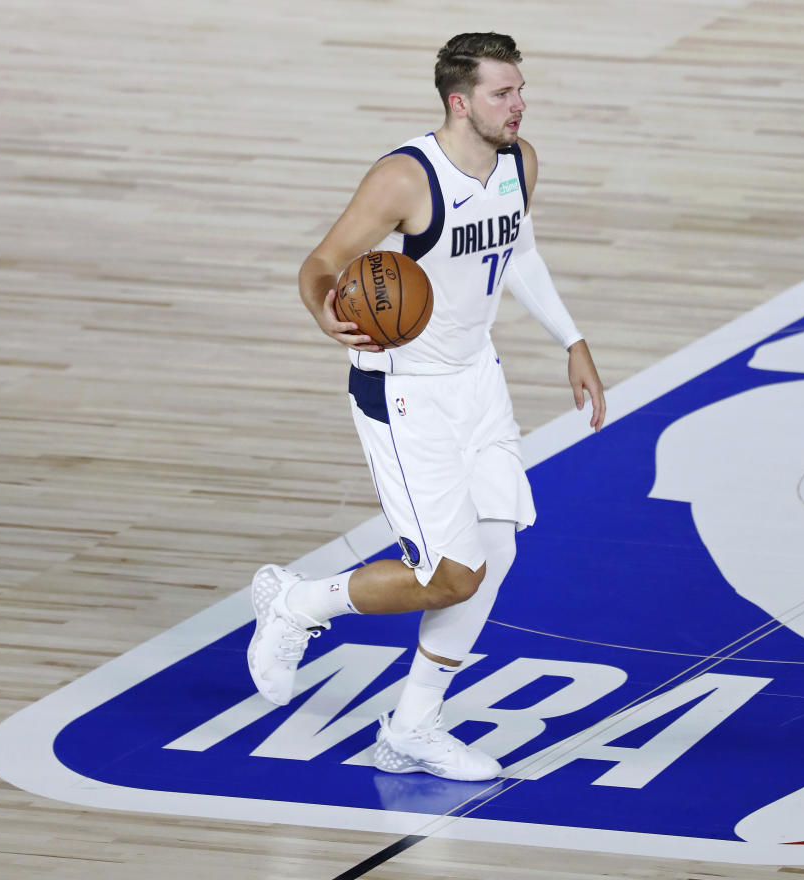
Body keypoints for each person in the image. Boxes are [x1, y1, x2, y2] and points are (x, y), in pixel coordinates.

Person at [248, 32, 605, 782]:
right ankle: (299, 602)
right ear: (459, 101)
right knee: (452, 573)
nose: (519, 103)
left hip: (478, 381)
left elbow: (521, 252)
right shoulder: (407, 178)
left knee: (496, 553)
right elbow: (320, 263)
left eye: (519, 89)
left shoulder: (518, 160)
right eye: (502, 93)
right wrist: (322, 311)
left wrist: (571, 339)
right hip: (405, 393)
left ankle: (411, 728)